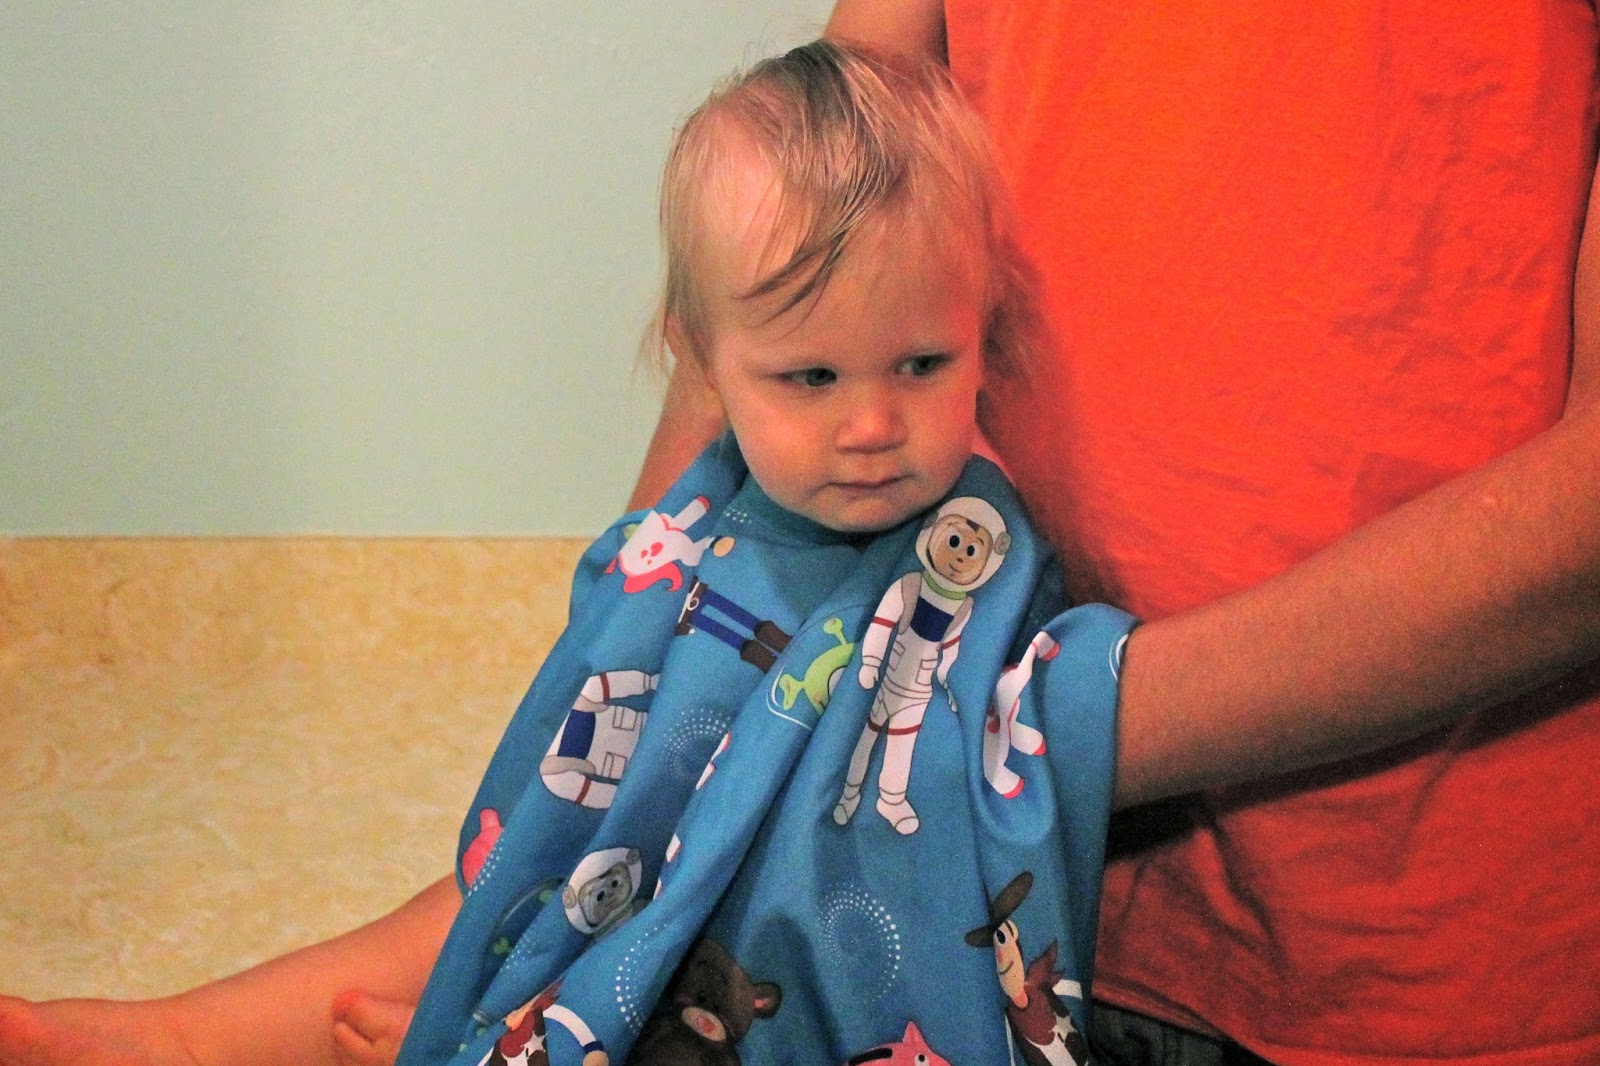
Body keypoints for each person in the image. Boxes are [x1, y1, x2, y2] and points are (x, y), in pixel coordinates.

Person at [0, 38, 1120, 1066]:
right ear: (703, 359)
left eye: (922, 364)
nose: (871, 423)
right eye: (811, 377)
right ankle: (190, 1039)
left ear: (985, 330)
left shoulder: (978, 559)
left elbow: (992, 773)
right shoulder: (689, 541)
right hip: (620, 929)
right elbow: (561, 848)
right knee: (496, 898)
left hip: (789, 992)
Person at [632, 2, 1600, 1063]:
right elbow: (796, 224)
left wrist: (1032, 739)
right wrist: (623, 721)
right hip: (977, 898)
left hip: (1427, 937)